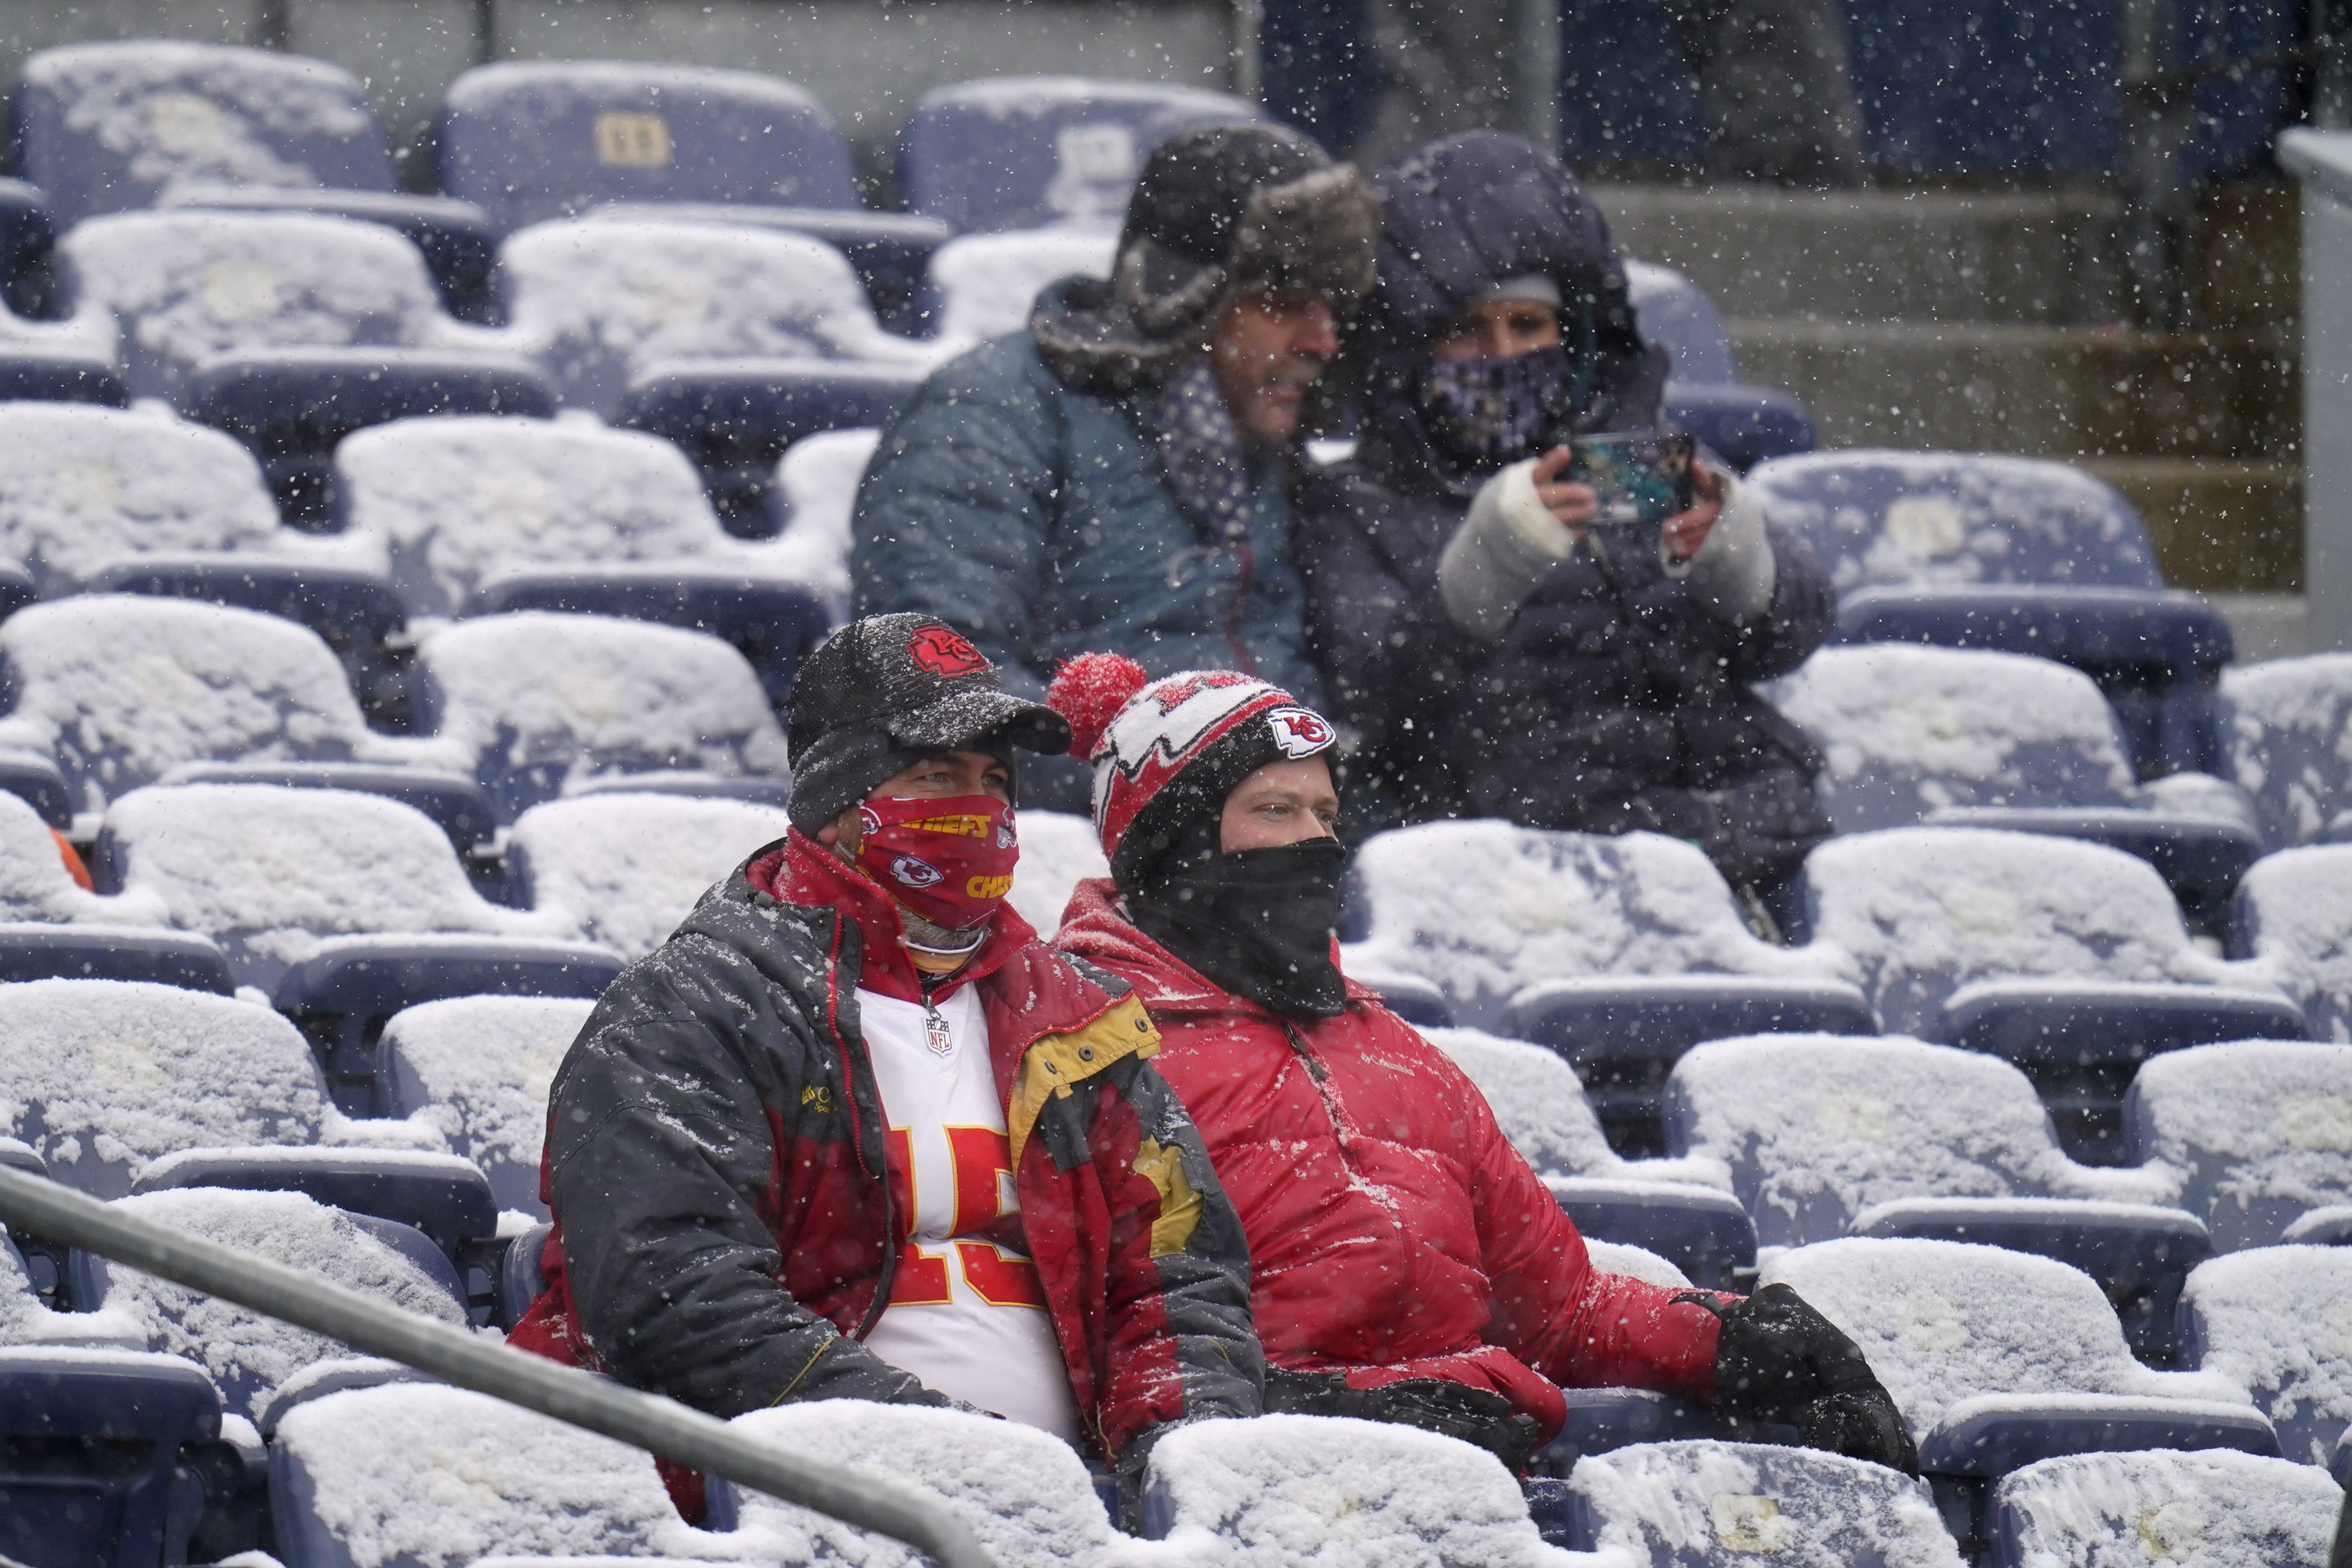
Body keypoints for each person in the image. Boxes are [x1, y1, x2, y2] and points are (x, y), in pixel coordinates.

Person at [1042, 651, 1918, 1477]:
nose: (1315, 841)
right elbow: (1092, 1337)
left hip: (1482, 1484)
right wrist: (1310, 1412)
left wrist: (1734, 1344)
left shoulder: (1403, 1059)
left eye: (1327, 815)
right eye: (1275, 811)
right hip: (1262, 1493)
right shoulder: (1080, 1046)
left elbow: (1559, 1309)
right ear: (1178, 840)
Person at [509, 613, 1262, 1519]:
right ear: (837, 801)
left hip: (1070, 1513)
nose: (978, 808)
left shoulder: (1082, 1021)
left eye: (995, 782)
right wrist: (941, 1460)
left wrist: (1181, 1473)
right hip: (791, 1499)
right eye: (937, 775)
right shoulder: (692, 1007)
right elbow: (669, 1290)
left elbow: (1179, 1275)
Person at [1294, 131, 1835, 913]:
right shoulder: (1353, 505)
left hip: (1736, 840)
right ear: (1409, 350)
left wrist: (1736, 557)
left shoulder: (1648, 461)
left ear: (1572, 336)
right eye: (1467, 331)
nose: (1502, 355)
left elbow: (1790, 634)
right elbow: (1380, 710)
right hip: (1522, 876)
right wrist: (1483, 574)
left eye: (1528, 325)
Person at [851, 124, 1378, 811]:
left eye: (1332, 306)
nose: (1322, 340)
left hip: (1258, 860)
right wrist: (1176, 793)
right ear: (1186, 299)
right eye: (1281, 303)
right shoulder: (988, 414)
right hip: (1064, 864)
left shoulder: (1267, 446)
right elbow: (935, 687)